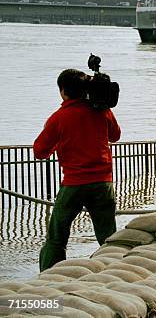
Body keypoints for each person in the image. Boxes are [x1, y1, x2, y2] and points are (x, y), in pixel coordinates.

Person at [34, 69, 121, 271]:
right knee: (108, 236)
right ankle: (115, 271)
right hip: (103, 183)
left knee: (57, 237)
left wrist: (59, 145)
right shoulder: (102, 110)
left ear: (63, 91)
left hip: (74, 184)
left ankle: (50, 276)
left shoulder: (59, 117)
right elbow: (115, 135)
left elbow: (39, 151)